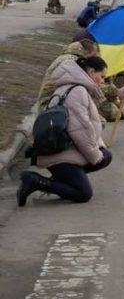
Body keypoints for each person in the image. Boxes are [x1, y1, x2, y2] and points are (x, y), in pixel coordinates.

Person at [17, 56, 113, 206]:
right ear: (91, 71)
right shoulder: (78, 92)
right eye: (102, 76)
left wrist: (98, 151)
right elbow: (81, 131)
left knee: (105, 155)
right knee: (83, 193)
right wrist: (95, 155)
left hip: (63, 148)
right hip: (61, 154)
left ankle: (64, 180)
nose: (102, 81)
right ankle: (36, 181)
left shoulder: (68, 88)